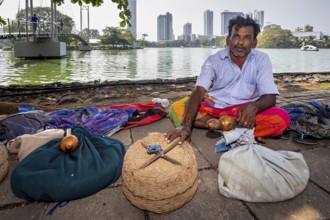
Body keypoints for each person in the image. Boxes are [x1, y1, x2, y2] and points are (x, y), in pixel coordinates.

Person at [165, 15, 290, 146]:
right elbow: (199, 90)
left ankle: (220, 125)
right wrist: (185, 126)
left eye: (247, 38)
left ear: (254, 43)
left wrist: (254, 106)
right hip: (216, 107)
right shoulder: (213, 61)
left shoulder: (262, 59)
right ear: (228, 40)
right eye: (236, 36)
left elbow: (270, 97)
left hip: (245, 111)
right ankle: (234, 128)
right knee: (176, 108)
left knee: (282, 118)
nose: (240, 42)